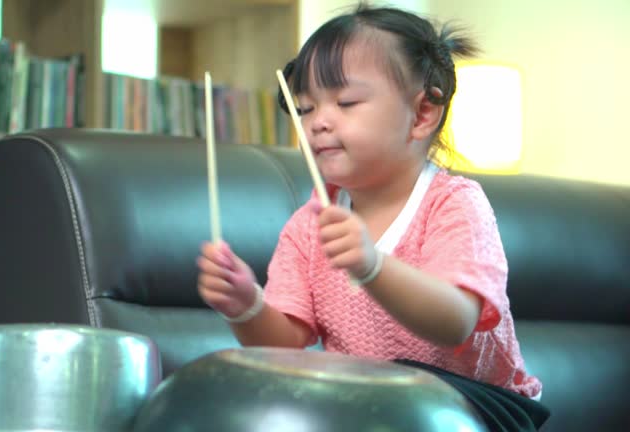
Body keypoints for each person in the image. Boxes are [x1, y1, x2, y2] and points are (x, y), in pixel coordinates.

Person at [197, 4, 549, 430]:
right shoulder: (310, 224)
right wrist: (244, 306)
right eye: (305, 109)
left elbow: (455, 320)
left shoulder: (453, 204)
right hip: (371, 403)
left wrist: (373, 266)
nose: (318, 123)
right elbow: (284, 342)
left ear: (422, 114)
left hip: (480, 407)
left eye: (346, 102)